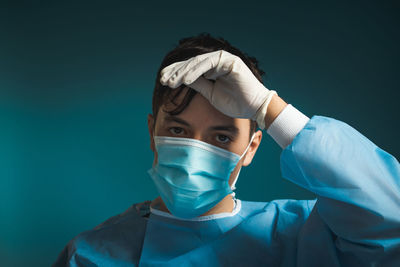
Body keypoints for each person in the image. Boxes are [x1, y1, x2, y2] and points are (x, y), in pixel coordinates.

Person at [53, 33, 400, 267]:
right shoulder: (91, 253)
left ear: (251, 148)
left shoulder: (304, 233)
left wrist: (268, 107)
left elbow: (391, 218)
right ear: (152, 132)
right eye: (178, 130)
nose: (193, 154)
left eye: (221, 137)